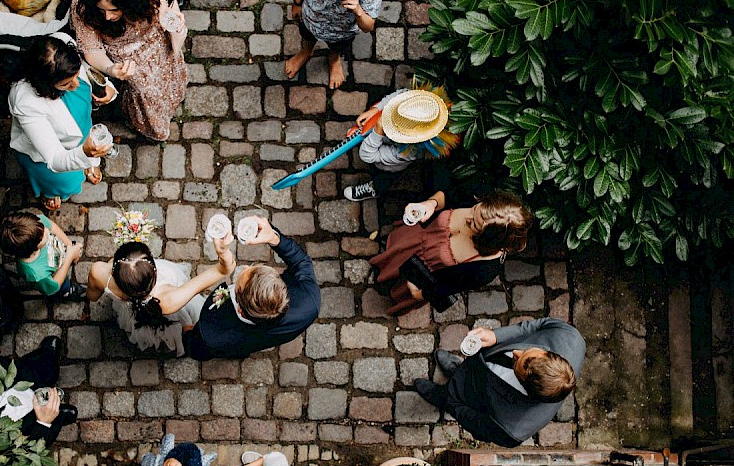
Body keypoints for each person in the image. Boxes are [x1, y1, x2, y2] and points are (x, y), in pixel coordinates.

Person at [414, 318, 586, 447]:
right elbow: (540, 325)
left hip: (469, 395)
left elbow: (476, 423)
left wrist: (452, 402)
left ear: (526, 386)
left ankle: (442, 396)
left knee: (450, 395)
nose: (515, 352)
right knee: (468, 368)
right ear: (547, 354)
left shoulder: (512, 430)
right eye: (526, 351)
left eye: (516, 363)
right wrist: (496, 336)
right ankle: (458, 369)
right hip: (479, 366)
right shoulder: (570, 337)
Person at [71, 0, 188, 140]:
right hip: (123, 55)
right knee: (145, 92)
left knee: (168, 67)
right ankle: (152, 127)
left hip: (152, 35)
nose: (108, 17)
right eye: (102, 10)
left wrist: (163, 3)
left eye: (114, 10)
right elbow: (91, 49)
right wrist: (110, 69)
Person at [370, 186, 532, 317]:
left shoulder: (484, 270)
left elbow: (444, 286)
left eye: (474, 225)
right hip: (412, 239)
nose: (468, 218)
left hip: (419, 271)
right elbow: (449, 194)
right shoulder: (483, 199)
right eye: (474, 209)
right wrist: (430, 204)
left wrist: (417, 293)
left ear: (488, 239)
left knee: (391, 284)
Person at [182, 216, 321, 361]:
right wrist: (274, 237)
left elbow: (195, 349)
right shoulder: (310, 301)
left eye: (238, 283)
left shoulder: (213, 336)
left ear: (240, 311)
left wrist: (187, 333)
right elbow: (301, 261)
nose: (246, 267)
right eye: (253, 267)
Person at [9, 33, 116, 211]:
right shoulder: (27, 103)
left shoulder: (62, 42)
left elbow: (87, 71)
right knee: (65, 180)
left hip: (80, 125)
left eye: (75, 77)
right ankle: (50, 191)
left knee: (84, 134)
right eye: (67, 84)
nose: (76, 85)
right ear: (46, 83)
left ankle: (89, 165)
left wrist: (107, 88)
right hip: (47, 151)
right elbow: (55, 158)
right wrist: (85, 153)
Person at [87, 234, 234, 356]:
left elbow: (92, 297)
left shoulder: (98, 272)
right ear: (154, 271)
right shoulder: (169, 299)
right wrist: (223, 252)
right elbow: (223, 270)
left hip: (131, 312)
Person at [344, 87, 459, 202]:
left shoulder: (410, 151)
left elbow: (367, 156)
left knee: (383, 179)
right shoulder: (419, 101)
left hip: (388, 165)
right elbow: (399, 94)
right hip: (384, 138)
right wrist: (376, 109)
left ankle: (374, 189)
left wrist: (377, 132)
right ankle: (368, 139)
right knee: (371, 139)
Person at [0, 336, 78, 448]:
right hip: (29, 421)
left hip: (16, 383)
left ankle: (44, 357)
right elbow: (29, 455)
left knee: (48, 369)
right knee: (67, 413)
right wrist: (44, 423)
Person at [285, 0, 382, 89]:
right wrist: (297, 2)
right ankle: (306, 51)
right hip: (311, 16)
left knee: (338, 47)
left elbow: (368, 26)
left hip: (342, 31)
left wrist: (358, 11)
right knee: (307, 36)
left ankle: (334, 59)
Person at [0, 210, 86, 300]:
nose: (46, 231)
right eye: (42, 237)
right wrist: (69, 257)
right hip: (56, 275)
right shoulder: (36, 274)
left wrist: (69, 246)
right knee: (63, 286)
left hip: (62, 256)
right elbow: (53, 286)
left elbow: (51, 226)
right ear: (33, 248)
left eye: (43, 227)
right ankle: (67, 292)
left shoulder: (36, 226)